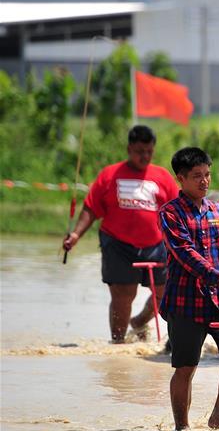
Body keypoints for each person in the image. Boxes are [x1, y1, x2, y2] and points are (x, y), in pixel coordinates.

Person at [158, 147, 219, 431]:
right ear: (181, 178)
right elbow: (184, 252)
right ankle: (182, 429)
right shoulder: (170, 214)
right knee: (186, 368)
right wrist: (216, 276)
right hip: (185, 300)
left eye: (207, 175)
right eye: (197, 176)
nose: (205, 181)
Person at [62, 124, 179, 343]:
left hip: (156, 245)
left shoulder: (163, 177)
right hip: (118, 245)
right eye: (139, 152)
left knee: (166, 292)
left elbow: (177, 212)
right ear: (129, 149)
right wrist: (76, 234)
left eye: (149, 152)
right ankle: (117, 344)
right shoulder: (110, 175)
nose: (144, 156)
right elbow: (91, 207)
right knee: (124, 296)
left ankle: (140, 321)